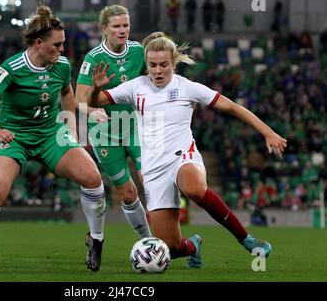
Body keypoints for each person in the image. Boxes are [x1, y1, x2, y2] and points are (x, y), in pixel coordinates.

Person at [88, 32, 287, 267]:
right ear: (146, 64)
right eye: (152, 65)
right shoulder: (135, 87)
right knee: (170, 248)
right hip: (153, 170)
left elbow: (232, 108)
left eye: (164, 65)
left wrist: (267, 132)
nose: (158, 70)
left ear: (173, 63)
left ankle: (247, 240)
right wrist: (95, 88)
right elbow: (94, 102)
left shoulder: (188, 88)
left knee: (194, 189)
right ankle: (194, 245)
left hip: (182, 156)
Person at [0, 6, 107, 272]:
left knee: (93, 178)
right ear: (39, 43)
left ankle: (96, 241)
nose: (62, 50)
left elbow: (67, 96)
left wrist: (71, 129)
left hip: (51, 135)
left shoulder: (61, 66)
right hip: (14, 137)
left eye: (63, 44)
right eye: (57, 45)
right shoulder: (12, 67)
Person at [75, 5, 152, 271]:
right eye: (117, 26)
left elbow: (157, 73)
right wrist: (93, 110)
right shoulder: (93, 58)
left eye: (126, 25)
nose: (122, 30)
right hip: (105, 132)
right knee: (128, 193)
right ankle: (148, 241)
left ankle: (155, 246)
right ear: (105, 29)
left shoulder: (138, 51)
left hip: (134, 125)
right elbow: (78, 99)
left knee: (149, 179)